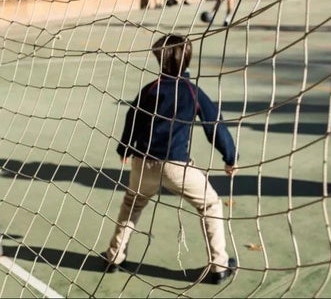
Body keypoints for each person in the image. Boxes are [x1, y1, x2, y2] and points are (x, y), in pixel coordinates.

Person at [102, 34, 239, 285]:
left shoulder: (150, 89)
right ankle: (219, 266)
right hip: (176, 167)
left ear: (159, 61)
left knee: (132, 203)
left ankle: (114, 257)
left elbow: (133, 117)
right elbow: (214, 126)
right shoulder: (192, 91)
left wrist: (124, 149)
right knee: (210, 205)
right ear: (187, 60)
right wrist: (230, 157)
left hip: (142, 163)